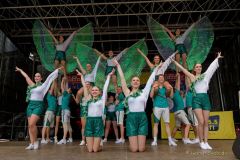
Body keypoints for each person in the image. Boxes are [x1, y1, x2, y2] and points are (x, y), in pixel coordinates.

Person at [172, 52, 223, 150]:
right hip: (196, 100)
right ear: (194, 69)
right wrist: (175, 62)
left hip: (205, 99)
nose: (199, 68)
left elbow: (212, 68)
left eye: (200, 66)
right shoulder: (192, 77)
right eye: (197, 67)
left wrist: (217, 58)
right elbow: (183, 69)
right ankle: (201, 141)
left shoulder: (206, 75)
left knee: (206, 122)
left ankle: (206, 142)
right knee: (201, 121)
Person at [113, 58, 161, 152]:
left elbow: (151, 79)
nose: (135, 81)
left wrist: (157, 68)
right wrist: (118, 66)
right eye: (134, 80)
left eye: (137, 80)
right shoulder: (127, 92)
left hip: (142, 117)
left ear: (139, 83)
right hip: (131, 118)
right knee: (134, 150)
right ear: (131, 83)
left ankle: (140, 143)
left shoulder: (144, 92)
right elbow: (122, 79)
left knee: (141, 149)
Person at [15, 66, 60, 150]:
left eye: (38, 76)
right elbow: (26, 76)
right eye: (35, 76)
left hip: (38, 105)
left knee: (32, 124)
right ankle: (31, 143)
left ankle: (35, 141)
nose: (36, 77)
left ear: (41, 78)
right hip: (30, 105)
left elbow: (50, 78)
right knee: (30, 126)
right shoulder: (32, 85)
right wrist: (21, 70)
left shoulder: (43, 86)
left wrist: (56, 70)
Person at [78, 69, 114, 152]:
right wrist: (81, 77)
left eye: (96, 90)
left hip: (98, 122)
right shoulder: (88, 99)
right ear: (91, 92)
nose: (94, 91)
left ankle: (99, 145)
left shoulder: (102, 101)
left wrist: (108, 76)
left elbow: (105, 88)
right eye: (93, 90)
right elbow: (84, 86)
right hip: (89, 122)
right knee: (90, 150)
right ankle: (96, 144)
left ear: (99, 92)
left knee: (95, 149)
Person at [150, 53, 177, 146]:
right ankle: (155, 140)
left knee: (167, 124)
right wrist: (154, 87)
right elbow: (151, 95)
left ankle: (170, 140)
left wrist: (174, 54)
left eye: (158, 58)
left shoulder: (165, 83)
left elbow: (167, 61)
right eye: (155, 58)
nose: (157, 59)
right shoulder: (153, 68)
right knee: (156, 124)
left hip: (165, 106)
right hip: (157, 105)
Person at [170, 73, 193, 144]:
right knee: (188, 124)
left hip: (176, 113)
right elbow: (178, 84)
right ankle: (186, 139)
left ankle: (171, 138)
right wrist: (178, 77)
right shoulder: (176, 93)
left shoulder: (174, 96)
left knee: (177, 126)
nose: (181, 91)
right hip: (180, 112)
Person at [57, 76, 73, 144]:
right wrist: (65, 81)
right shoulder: (69, 95)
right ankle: (70, 138)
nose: (68, 88)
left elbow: (62, 88)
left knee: (65, 125)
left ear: (69, 91)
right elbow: (64, 88)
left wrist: (63, 81)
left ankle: (64, 139)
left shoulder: (66, 94)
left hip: (64, 111)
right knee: (68, 125)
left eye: (69, 89)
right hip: (68, 111)